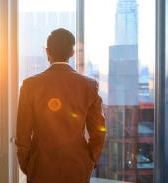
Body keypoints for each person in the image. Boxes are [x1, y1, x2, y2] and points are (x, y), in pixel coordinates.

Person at [15, 28, 106, 183]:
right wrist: (90, 160)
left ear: (47, 51)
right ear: (72, 52)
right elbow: (99, 132)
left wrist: (28, 165)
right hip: (77, 168)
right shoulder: (89, 85)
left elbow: (23, 135)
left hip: (40, 168)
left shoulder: (30, 86)